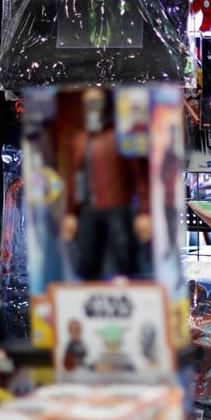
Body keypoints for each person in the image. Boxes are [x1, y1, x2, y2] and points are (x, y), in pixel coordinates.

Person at [61, 88, 151, 280]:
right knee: (86, 263)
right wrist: (70, 213)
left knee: (126, 260)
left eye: (97, 102)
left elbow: (139, 178)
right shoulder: (78, 140)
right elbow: (73, 179)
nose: (93, 108)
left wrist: (144, 212)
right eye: (89, 103)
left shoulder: (119, 137)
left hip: (118, 207)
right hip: (87, 209)